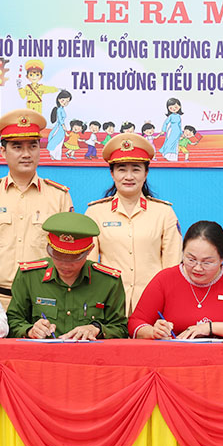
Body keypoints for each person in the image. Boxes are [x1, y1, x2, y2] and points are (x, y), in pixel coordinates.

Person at [0, 109, 73, 306]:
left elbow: (67, 256)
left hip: (44, 301)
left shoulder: (59, 196)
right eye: (17, 147)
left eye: (32, 146)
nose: (26, 154)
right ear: (3, 151)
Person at [86, 133, 182, 315]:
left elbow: (173, 265)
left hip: (153, 305)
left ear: (146, 173)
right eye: (122, 169)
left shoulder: (164, 213)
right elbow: (88, 266)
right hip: (108, 304)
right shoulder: (95, 213)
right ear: (112, 173)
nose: (129, 176)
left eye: (136, 169)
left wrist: (167, 303)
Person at [129, 221, 223, 340]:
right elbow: (135, 323)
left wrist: (209, 328)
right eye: (191, 259)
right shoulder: (165, 279)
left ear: (222, 258)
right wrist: (153, 332)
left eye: (207, 262)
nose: (197, 268)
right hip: (175, 358)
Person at [7, 212, 127, 340]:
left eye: (74, 257)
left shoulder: (108, 281)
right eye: (58, 255)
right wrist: (30, 330)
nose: (65, 264)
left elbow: (121, 328)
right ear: (49, 247)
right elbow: (12, 321)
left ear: (90, 250)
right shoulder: (29, 276)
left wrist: (97, 328)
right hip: (41, 352)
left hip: (90, 352)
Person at [46, 90, 71, 160]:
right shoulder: (59, 109)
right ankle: (54, 154)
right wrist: (63, 126)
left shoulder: (62, 109)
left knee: (60, 141)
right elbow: (60, 119)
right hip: (59, 127)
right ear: (59, 99)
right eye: (63, 100)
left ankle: (56, 156)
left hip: (61, 127)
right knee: (57, 141)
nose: (65, 103)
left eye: (67, 101)